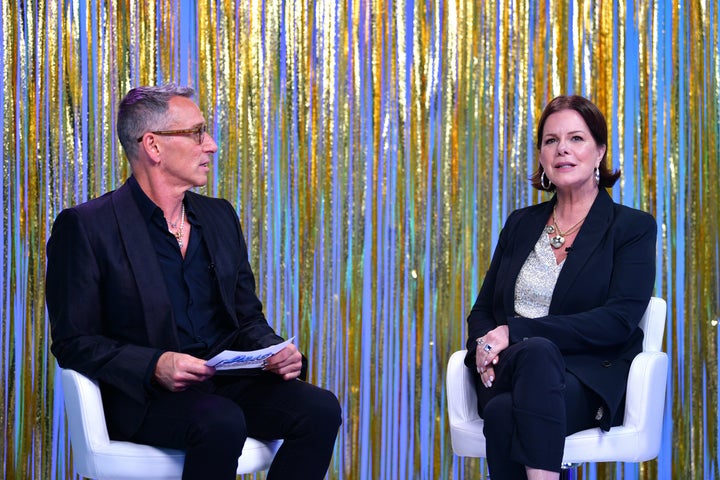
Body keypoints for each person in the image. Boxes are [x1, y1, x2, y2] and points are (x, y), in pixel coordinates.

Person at [46, 84, 342, 479]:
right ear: (153, 146)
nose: (212, 145)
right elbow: (74, 341)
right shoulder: (86, 227)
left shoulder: (219, 217)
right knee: (221, 422)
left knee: (320, 409)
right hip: (145, 396)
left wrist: (272, 351)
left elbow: (246, 318)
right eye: (197, 133)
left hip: (226, 382)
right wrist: (155, 364)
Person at [464, 95, 656, 480]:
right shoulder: (520, 224)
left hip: (582, 379)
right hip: (506, 370)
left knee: (505, 412)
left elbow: (618, 321)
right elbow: (483, 310)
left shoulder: (631, 228)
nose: (562, 149)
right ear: (541, 155)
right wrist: (484, 349)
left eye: (576, 139)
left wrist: (514, 331)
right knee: (531, 358)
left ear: (599, 151)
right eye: (551, 140)